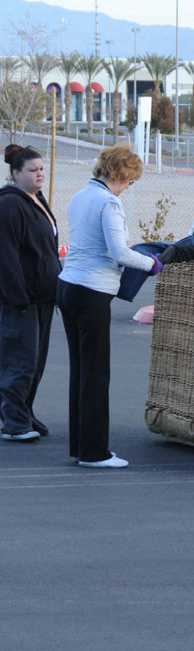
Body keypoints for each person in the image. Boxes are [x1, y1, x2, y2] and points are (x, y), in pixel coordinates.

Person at [57, 145, 164, 469]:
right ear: (119, 175)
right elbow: (119, 252)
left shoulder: (80, 196)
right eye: (130, 180)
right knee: (96, 373)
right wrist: (152, 264)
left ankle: (80, 446)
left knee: (81, 370)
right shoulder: (109, 203)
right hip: (91, 291)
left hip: (68, 285)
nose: (129, 186)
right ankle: (94, 452)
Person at [0, 145, 61, 441]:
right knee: (19, 361)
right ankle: (13, 423)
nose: (40, 174)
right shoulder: (10, 204)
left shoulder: (37, 200)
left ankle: (25, 413)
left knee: (36, 362)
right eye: (33, 170)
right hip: (21, 300)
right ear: (15, 174)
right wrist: (18, 297)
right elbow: (6, 254)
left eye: (41, 169)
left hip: (44, 296)